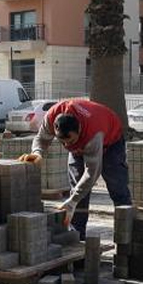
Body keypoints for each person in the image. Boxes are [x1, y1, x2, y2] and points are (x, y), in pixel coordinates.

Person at [21, 99, 132, 238]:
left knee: (117, 186)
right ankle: (78, 235)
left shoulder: (93, 133)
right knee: (78, 186)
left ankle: (127, 232)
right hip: (86, 139)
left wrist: (72, 200)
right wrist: (37, 152)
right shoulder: (51, 117)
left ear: (79, 129)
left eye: (71, 141)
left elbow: (92, 173)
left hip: (111, 142)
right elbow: (41, 139)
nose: (67, 145)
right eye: (62, 142)